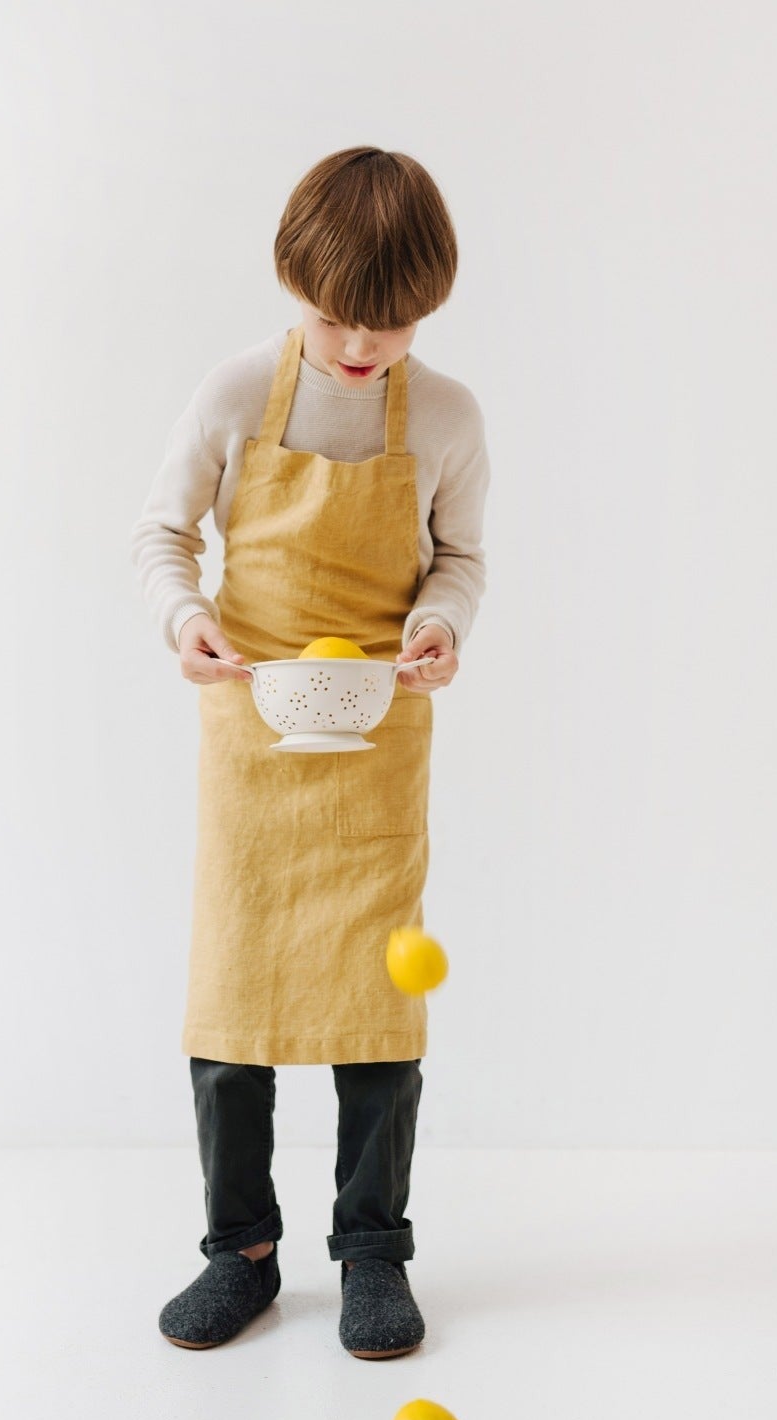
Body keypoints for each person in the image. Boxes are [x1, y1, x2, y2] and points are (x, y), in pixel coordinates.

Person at [128, 146, 490, 1359]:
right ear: (295, 286)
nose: (356, 347)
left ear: (425, 307)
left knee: (379, 1013)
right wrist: (188, 625)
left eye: (386, 327)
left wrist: (440, 624)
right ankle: (240, 1252)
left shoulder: (445, 416)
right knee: (233, 1008)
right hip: (250, 733)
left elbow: (461, 559)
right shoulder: (235, 395)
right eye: (335, 319)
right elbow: (163, 534)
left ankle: (373, 1251)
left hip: (379, 741)